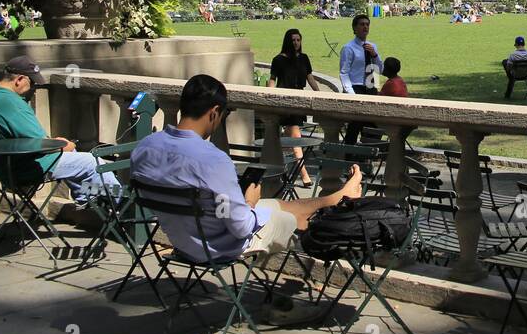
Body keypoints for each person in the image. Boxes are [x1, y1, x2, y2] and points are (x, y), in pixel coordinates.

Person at [130, 74, 363, 271]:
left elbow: (220, 207)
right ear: (214, 112)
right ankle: (339, 207)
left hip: (184, 239)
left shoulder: (144, 148)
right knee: (295, 219)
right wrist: (250, 203)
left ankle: (332, 199)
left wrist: (245, 204)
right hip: (219, 246)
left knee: (279, 205)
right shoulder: (211, 160)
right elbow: (240, 227)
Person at [0, 55, 121, 203]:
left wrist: (58, 144)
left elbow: (30, 139)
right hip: (23, 168)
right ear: (19, 80)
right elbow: (42, 144)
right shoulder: (12, 104)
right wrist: (64, 145)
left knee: (76, 159)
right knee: (91, 161)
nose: (33, 87)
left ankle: (88, 197)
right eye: (32, 82)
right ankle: (119, 201)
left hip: (6, 165)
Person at [268, 29, 321, 141]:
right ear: (288, 41)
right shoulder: (278, 59)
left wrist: (319, 93)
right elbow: (272, 79)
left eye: (298, 40)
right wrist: (269, 96)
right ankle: (299, 158)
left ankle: (286, 156)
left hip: (299, 99)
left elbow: (310, 77)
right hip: (285, 99)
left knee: (290, 133)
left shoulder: (304, 58)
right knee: (295, 133)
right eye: (293, 40)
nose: (296, 42)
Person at [339, 14, 382, 144]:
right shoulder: (348, 48)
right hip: (356, 88)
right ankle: (349, 157)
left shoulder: (372, 46)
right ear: (354, 28)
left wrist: (374, 54)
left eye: (367, 24)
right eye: (362, 24)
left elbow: (380, 69)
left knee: (372, 126)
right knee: (354, 126)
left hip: (370, 87)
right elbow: (344, 72)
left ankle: (366, 156)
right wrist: (350, 93)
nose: (365, 27)